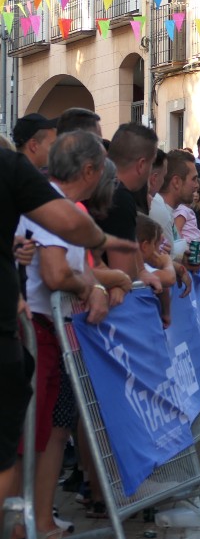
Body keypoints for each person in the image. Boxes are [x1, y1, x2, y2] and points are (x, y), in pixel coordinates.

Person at [0, 137, 136, 519]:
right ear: (89, 171)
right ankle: (25, 523)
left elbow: (81, 268)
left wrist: (107, 281)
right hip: (38, 333)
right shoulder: (50, 207)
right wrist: (89, 286)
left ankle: (38, 519)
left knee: (51, 434)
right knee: (30, 439)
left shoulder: (65, 207)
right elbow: (58, 273)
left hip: (52, 335)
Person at [98, 123, 159, 277]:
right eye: (151, 164)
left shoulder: (99, 186)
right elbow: (123, 273)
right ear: (141, 165)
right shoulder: (120, 198)